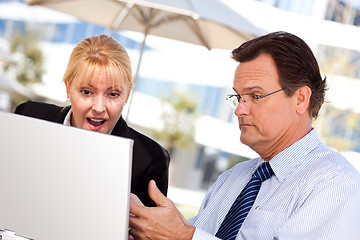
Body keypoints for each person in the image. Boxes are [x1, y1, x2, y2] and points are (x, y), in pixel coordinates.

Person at [128, 31, 360, 240]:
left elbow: (188, 237)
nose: (240, 110)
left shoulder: (336, 184)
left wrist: (184, 236)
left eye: (256, 96)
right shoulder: (232, 179)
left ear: (300, 99)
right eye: (239, 97)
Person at [14, 34, 170, 207]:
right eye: (87, 92)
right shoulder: (28, 117)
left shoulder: (150, 159)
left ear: (127, 94)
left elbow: (149, 231)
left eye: (113, 94)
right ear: (68, 88)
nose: (99, 107)